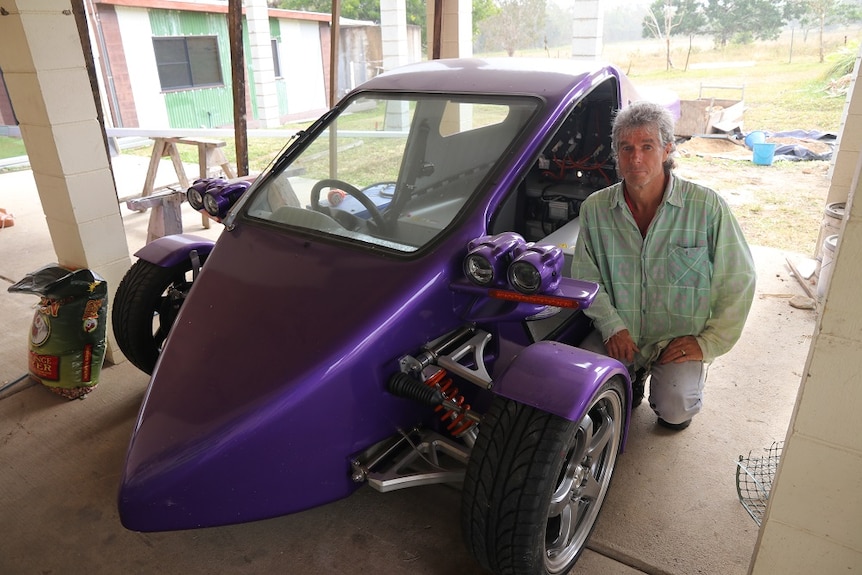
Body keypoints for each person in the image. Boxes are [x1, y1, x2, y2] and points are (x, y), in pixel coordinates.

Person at [571, 100, 756, 431]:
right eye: (626, 147)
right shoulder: (595, 209)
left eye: (647, 146)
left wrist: (707, 342)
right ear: (616, 153)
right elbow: (586, 275)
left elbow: (738, 279)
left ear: (668, 149)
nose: (636, 158)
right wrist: (612, 325)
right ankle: (632, 376)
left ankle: (668, 386)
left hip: (677, 338)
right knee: (578, 383)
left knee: (675, 410)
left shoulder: (706, 207)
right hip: (621, 331)